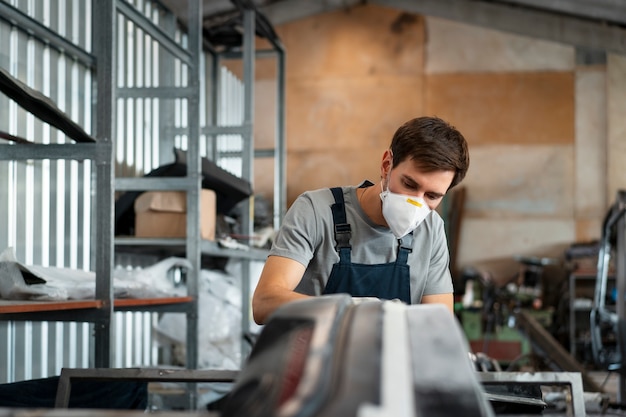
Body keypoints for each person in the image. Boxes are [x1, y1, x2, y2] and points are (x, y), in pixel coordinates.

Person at [252, 116, 470, 324]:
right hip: (313, 359)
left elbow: (439, 325)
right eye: (409, 185)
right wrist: (354, 310)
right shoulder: (316, 211)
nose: (416, 203)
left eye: (432, 196)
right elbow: (264, 303)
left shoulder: (431, 229)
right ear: (386, 165)